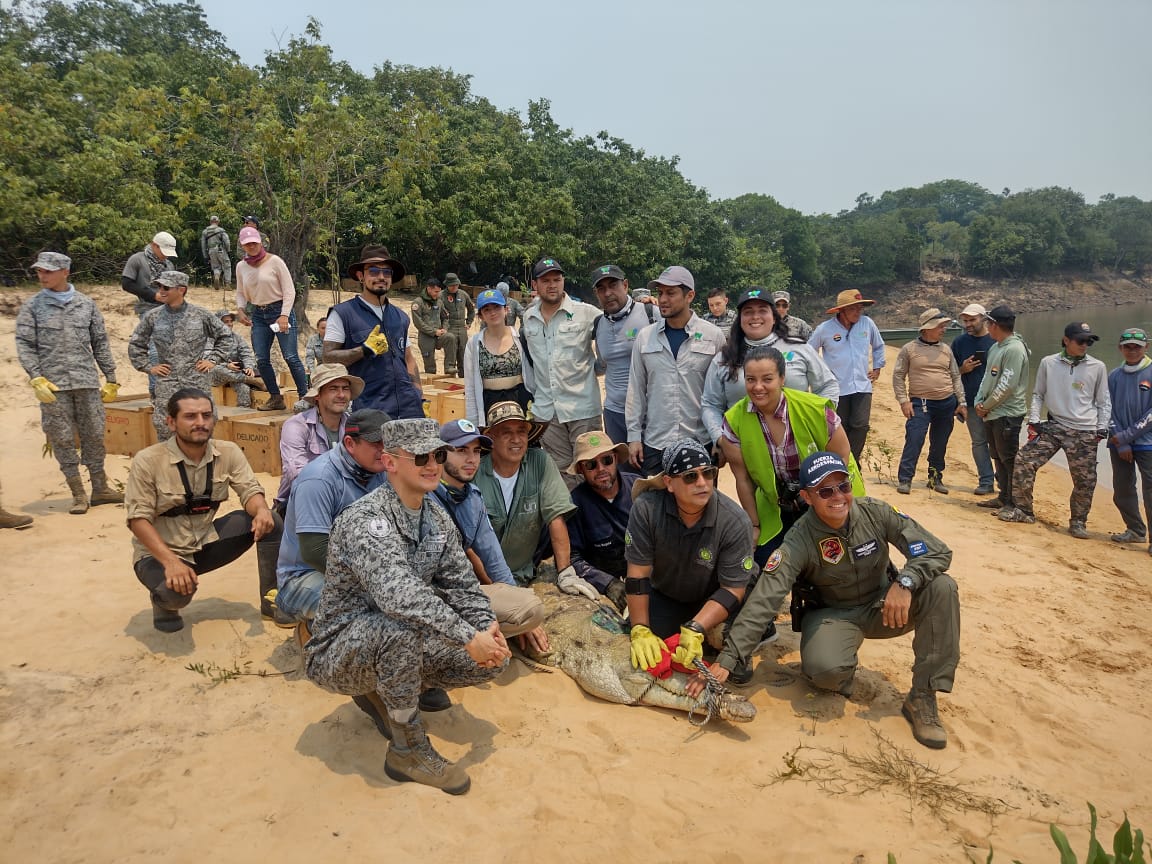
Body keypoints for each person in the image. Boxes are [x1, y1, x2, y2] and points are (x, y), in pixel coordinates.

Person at [304, 418, 510, 795]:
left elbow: (463, 585)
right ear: (390, 462)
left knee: (491, 661)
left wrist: (487, 629)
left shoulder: (435, 518)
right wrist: (467, 635)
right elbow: (399, 596)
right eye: (420, 457)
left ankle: (398, 688)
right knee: (398, 630)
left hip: (401, 639)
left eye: (436, 454)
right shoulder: (365, 521)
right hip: (339, 650)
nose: (432, 464)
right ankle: (406, 750)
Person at [712, 451, 960, 750]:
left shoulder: (875, 512)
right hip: (834, 614)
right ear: (806, 496)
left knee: (942, 587)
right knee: (825, 672)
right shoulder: (798, 539)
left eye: (843, 486)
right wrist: (729, 658)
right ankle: (840, 669)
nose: (837, 497)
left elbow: (937, 551)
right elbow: (765, 598)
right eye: (825, 491)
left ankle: (922, 696)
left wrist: (905, 582)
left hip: (885, 606)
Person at [125, 387, 283, 633]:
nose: (200, 423)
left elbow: (249, 490)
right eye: (190, 417)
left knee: (272, 520)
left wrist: (261, 509)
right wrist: (171, 563)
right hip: (160, 555)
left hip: (205, 543)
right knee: (175, 594)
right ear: (171, 422)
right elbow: (138, 520)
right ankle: (165, 604)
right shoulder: (149, 460)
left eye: (206, 416)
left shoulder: (228, 451)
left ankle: (272, 600)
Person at [623, 439, 755, 675]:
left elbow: (733, 589)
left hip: (715, 599)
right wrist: (640, 628)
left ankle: (734, 632)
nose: (702, 483)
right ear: (669, 483)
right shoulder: (646, 509)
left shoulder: (735, 521)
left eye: (708, 473)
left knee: (736, 669)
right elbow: (637, 575)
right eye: (690, 477)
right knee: (641, 648)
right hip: (667, 593)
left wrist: (696, 627)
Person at [721, 345, 862, 567]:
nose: (758, 387)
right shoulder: (733, 421)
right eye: (750, 380)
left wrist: (823, 500)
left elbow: (842, 456)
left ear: (782, 378)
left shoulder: (814, 408)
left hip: (830, 494)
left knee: (840, 560)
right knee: (764, 563)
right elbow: (743, 480)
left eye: (767, 379)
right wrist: (754, 526)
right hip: (776, 504)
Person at [16, 251, 123, 514]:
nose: (42, 276)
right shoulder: (33, 306)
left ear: (65, 272)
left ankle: (100, 488)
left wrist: (110, 377)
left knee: (94, 434)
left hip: (86, 381)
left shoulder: (86, 304)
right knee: (61, 437)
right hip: (53, 386)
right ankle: (78, 493)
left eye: (48, 271)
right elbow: (25, 344)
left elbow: (100, 342)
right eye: (39, 271)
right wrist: (36, 376)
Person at [433, 420, 549, 650]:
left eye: (476, 451)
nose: (471, 459)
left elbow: (494, 561)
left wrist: (517, 606)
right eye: (461, 450)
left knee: (529, 609)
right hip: (426, 594)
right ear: (440, 454)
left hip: (461, 592)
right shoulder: (425, 497)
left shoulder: (473, 497)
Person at [275, 409, 390, 632]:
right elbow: (315, 551)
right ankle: (314, 630)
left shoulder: (380, 470)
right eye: (376, 443)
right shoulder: (318, 479)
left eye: (388, 442)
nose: (384, 450)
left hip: (357, 568)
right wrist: (374, 580)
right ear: (350, 443)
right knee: (370, 610)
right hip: (304, 576)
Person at [1000, 322, 1110, 538]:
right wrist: (1034, 420)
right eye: (1080, 340)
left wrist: (1102, 428)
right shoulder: (1048, 363)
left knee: (1085, 480)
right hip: (1054, 426)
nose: (1085, 345)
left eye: (1089, 341)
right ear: (1066, 340)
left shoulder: (1098, 367)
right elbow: (1038, 394)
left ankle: (1078, 522)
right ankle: (1024, 510)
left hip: (1085, 430)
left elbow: (1103, 401)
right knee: (1024, 460)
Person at [702, 287, 839, 459]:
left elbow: (827, 385)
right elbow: (710, 404)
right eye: (748, 312)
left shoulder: (800, 349)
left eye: (762, 310)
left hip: (800, 447)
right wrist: (721, 439)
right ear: (740, 319)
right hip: (748, 453)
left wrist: (818, 424)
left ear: (774, 317)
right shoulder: (724, 358)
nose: (755, 316)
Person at [625, 265, 724, 475]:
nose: (662, 299)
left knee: (699, 505)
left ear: (690, 295)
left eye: (670, 293)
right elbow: (636, 389)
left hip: (700, 442)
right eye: (660, 293)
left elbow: (721, 394)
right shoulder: (645, 337)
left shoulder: (713, 336)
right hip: (656, 444)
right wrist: (634, 436)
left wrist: (719, 438)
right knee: (653, 505)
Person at [472, 401, 580, 589]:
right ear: (490, 438)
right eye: (507, 433)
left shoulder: (539, 462)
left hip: (522, 575)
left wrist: (565, 572)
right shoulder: (475, 474)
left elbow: (556, 516)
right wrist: (491, 585)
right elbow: (467, 543)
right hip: (479, 579)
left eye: (521, 431)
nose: (516, 439)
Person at [521, 257, 604, 483]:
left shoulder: (587, 313)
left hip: (583, 409)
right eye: (545, 280)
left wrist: (593, 371)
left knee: (592, 472)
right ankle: (572, 519)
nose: (552, 285)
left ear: (563, 281)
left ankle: (593, 518)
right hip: (548, 413)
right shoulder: (528, 318)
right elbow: (530, 361)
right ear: (535, 284)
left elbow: (612, 340)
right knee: (560, 476)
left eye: (556, 279)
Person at [128, 271, 232, 441]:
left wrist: (213, 360)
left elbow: (226, 337)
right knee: (165, 426)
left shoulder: (201, 315)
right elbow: (136, 344)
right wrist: (148, 367)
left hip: (196, 381)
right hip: (167, 382)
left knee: (203, 426)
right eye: (159, 286)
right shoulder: (153, 317)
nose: (161, 290)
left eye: (166, 287)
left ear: (181, 290)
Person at [322, 244, 424, 419]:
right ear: (361, 276)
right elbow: (328, 357)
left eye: (387, 272)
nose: (381, 277)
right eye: (374, 271)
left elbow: (408, 357)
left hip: (409, 407)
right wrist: (363, 350)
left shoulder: (400, 317)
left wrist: (418, 395)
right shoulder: (343, 314)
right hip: (369, 408)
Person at [891, 308, 965, 495]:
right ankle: (905, 479)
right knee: (914, 439)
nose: (943, 329)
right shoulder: (909, 349)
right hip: (920, 402)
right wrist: (903, 401)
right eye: (940, 326)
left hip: (946, 402)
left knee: (939, 443)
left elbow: (955, 377)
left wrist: (961, 402)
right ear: (927, 328)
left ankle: (935, 478)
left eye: (944, 326)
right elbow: (898, 376)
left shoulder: (946, 349)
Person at [565, 431, 642, 611]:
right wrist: (608, 584)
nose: (601, 469)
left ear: (616, 459)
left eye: (606, 460)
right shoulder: (575, 503)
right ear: (581, 470)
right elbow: (572, 558)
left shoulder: (640, 489)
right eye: (591, 464)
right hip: (603, 587)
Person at [808, 289, 886, 465]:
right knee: (838, 427)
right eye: (854, 309)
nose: (858, 312)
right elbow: (809, 351)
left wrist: (878, 366)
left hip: (862, 385)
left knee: (861, 425)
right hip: (836, 388)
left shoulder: (867, 324)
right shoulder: (824, 329)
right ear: (841, 310)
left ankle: (853, 462)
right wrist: (820, 374)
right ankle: (839, 461)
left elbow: (879, 346)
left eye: (860, 308)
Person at [234, 226, 308, 411]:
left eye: (254, 242)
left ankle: (305, 397)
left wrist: (284, 315)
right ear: (243, 246)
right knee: (261, 358)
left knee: (290, 356)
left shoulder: (275, 261)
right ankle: (275, 397)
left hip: (279, 309)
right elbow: (241, 291)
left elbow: (289, 290)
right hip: (259, 313)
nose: (251, 246)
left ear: (260, 242)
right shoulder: (241, 266)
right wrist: (241, 310)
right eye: (247, 244)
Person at [273, 363, 364, 509]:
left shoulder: (353, 426)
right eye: (333, 389)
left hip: (346, 502)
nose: (341, 395)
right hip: (301, 503)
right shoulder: (297, 426)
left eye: (345, 389)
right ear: (317, 395)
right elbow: (296, 472)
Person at [973, 305, 1030, 516]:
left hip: (1007, 413)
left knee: (1009, 458)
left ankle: (1013, 503)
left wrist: (986, 406)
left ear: (995, 325)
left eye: (988, 323)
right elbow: (988, 378)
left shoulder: (1014, 349)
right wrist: (980, 402)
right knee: (997, 455)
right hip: (991, 412)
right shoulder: (996, 347)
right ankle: (1003, 496)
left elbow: (1007, 385)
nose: (987, 327)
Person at [591, 263, 657, 445]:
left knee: (654, 473)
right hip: (614, 414)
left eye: (613, 285)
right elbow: (601, 365)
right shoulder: (598, 324)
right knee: (621, 472)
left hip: (650, 413)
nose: (607, 293)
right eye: (601, 289)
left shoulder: (651, 313)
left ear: (626, 285)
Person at [1106, 328, 1152, 555]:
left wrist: (1127, 437)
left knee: (1150, 491)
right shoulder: (1114, 375)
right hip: (1118, 442)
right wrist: (1121, 442)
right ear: (1120, 348)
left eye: (1137, 346)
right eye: (1128, 346)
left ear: (1147, 347)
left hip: (1147, 443)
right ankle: (1135, 530)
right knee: (1122, 489)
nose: (1132, 350)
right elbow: (1107, 409)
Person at [462, 288, 534, 424]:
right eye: (487, 310)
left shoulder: (520, 338)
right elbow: (470, 386)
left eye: (496, 307)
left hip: (519, 401)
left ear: (506, 310)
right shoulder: (474, 344)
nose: (493, 313)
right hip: (489, 403)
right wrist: (473, 421)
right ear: (481, 316)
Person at [950, 303, 997, 495]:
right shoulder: (959, 342)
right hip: (970, 402)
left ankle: (1005, 482)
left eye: (972, 320)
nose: (968, 324)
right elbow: (950, 373)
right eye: (965, 320)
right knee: (978, 442)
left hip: (995, 401)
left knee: (998, 444)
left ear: (983, 319)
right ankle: (986, 481)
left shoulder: (995, 341)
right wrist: (963, 369)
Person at [207, 309, 264, 408]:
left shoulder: (237, 338)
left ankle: (243, 409)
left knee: (244, 388)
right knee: (217, 369)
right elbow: (207, 361)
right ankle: (252, 380)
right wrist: (227, 365)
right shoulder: (210, 339)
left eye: (230, 321)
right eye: (225, 322)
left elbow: (246, 354)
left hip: (236, 374)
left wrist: (248, 367)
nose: (229, 324)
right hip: (216, 375)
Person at [121, 231, 177, 318]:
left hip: (168, 307)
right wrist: (153, 296)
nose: (166, 256)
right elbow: (126, 284)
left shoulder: (169, 265)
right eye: (164, 252)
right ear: (154, 245)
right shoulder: (137, 259)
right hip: (146, 307)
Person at [411, 277, 458, 376]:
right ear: (429, 289)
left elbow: (445, 317)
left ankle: (449, 367)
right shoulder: (418, 303)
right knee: (430, 367)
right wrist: (433, 331)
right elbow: (418, 323)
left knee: (451, 337)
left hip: (439, 335)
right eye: (436, 291)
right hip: (426, 337)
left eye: (439, 292)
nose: (438, 294)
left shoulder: (439, 301)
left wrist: (444, 329)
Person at [442, 273, 474, 376]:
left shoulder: (463, 294)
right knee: (451, 354)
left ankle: (464, 379)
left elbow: (471, 309)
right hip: (450, 328)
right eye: (452, 285)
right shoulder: (441, 296)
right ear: (447, 285)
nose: (454, 287)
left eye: (456, 285)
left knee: (464, 354)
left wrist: (469, 322)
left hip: (462, 328)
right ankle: (450, 379)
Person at [200, 216, 231, 290]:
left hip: (211, 251)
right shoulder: (221, 230)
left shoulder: (205, 231)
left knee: (216, 267)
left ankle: (217, 276)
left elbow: (203, 245)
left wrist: (205, 256)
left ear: (210, 222)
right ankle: (227, 284)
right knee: (227, 266)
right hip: (220, 249)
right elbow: (227, 241)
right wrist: (228, 250)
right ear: (218, 222)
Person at [303, 315, 327, 379]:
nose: (325, 330)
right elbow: (310, 358)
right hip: (321, 369)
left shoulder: (337, 339)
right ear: (318, 328)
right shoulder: (313, 339)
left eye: (328, 328)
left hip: (336, 369)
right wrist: (313, 373)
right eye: (323, 328)